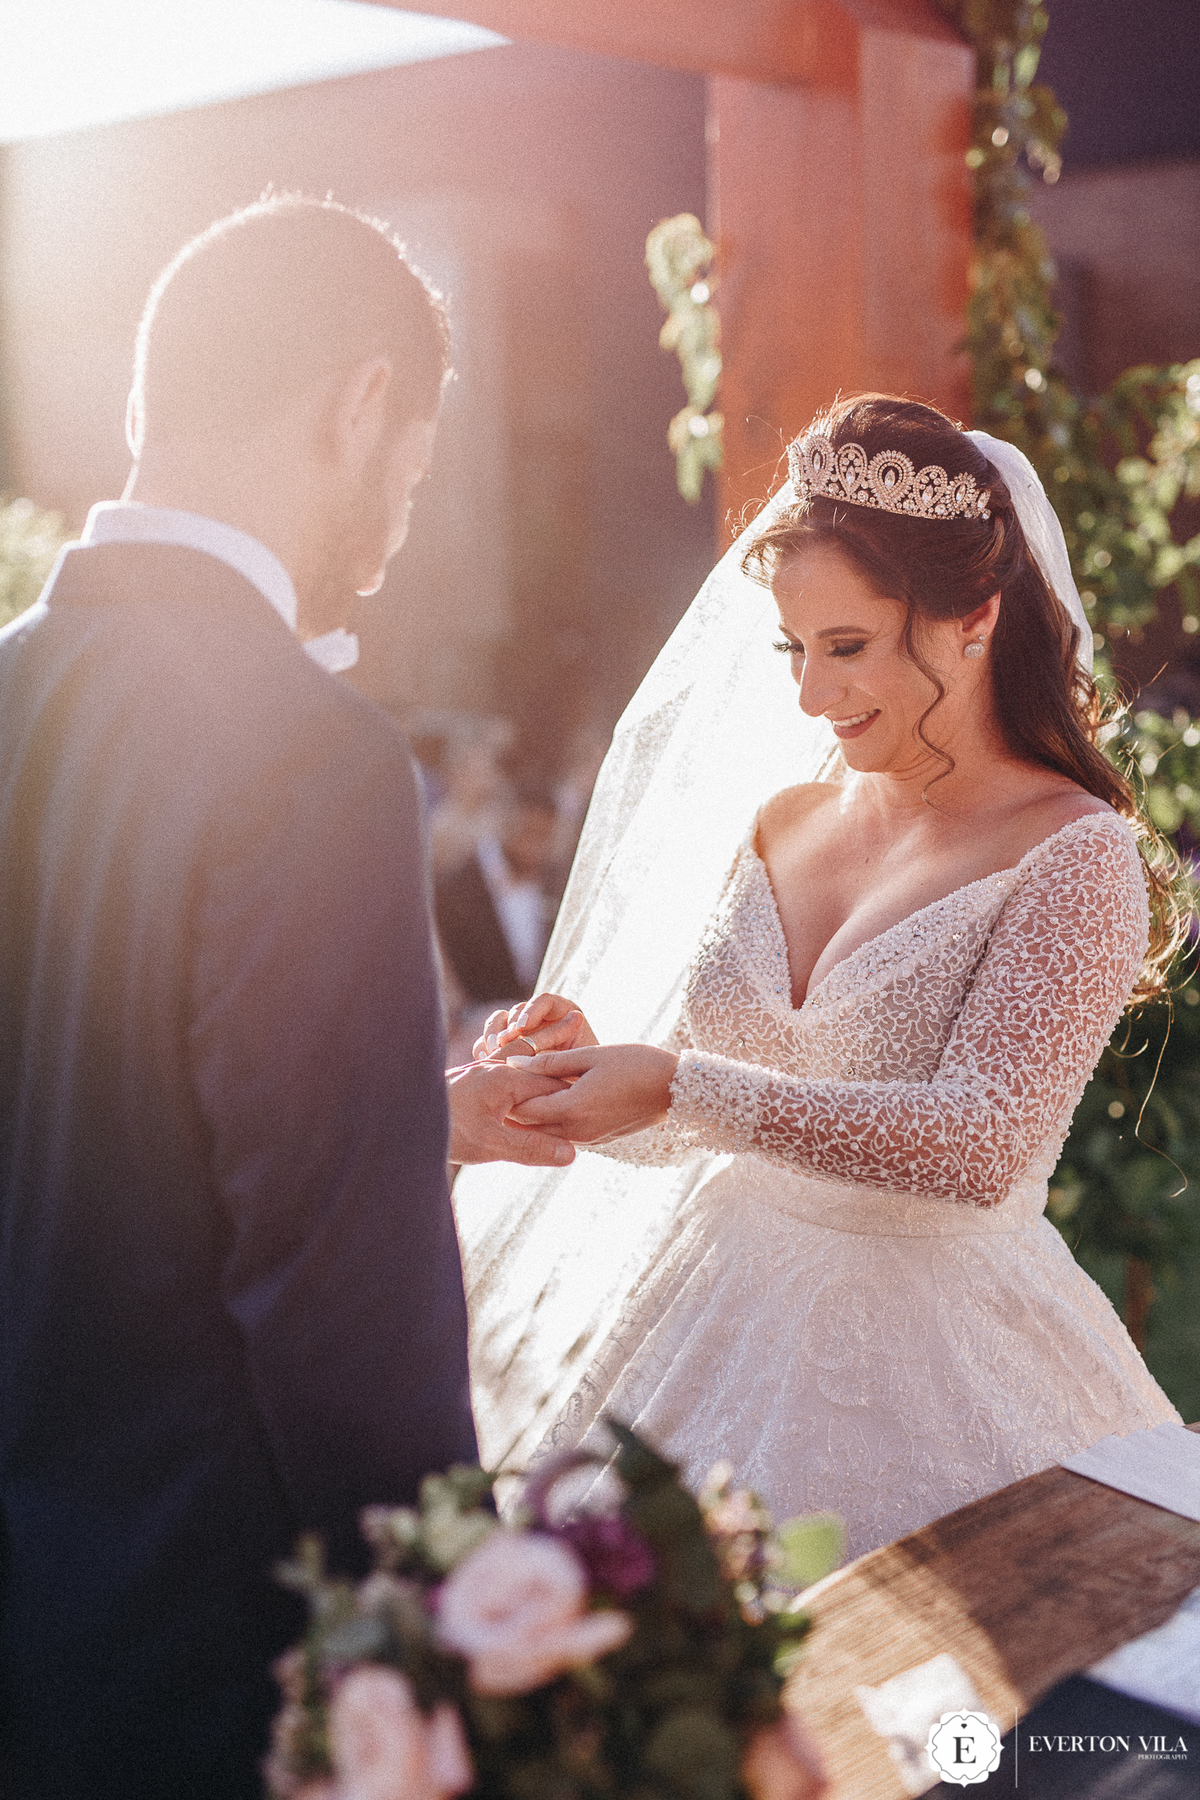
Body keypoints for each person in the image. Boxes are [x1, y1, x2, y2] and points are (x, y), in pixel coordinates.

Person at [0, 195, 567, 1800]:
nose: (400, 515)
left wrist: (415, 1118)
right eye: (414, 466)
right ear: (360, 402)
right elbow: (338, 1310)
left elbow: (90, 1103)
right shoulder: (310, 761)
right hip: (219, 1657)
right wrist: (470, 1640)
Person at [453, 394, 1185, 1558]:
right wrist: (603, 1076)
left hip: (943, 1375)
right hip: (709, 1332)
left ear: (972, 621)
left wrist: (679, 1084)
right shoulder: (785, 819)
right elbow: (721, 1121)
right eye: (795, 650)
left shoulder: (1076, 854)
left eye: (846, 647)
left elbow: (977, 1143)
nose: (808, 695)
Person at [435, 785, 558, 1006]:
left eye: (544, 837)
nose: (535, 848)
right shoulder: (453, 888)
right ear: (506, 822)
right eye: (528, 832)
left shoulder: (555, 886)